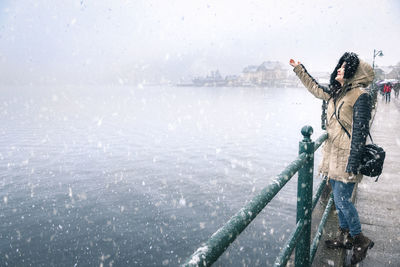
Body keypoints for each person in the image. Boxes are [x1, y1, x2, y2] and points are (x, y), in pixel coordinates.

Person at [289, 52, 374, 265]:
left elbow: (360, 133)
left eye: (344, 68)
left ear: (354, 73)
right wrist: (300, 69)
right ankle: (344, 237)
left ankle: (359, 239)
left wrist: (353, 163)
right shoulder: (338, 93)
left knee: (343, 201)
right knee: (338, 200)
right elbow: (316, 89)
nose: (339, 70)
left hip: (347, 157)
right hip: (333, 156)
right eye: (339, 66)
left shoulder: (360, 95)